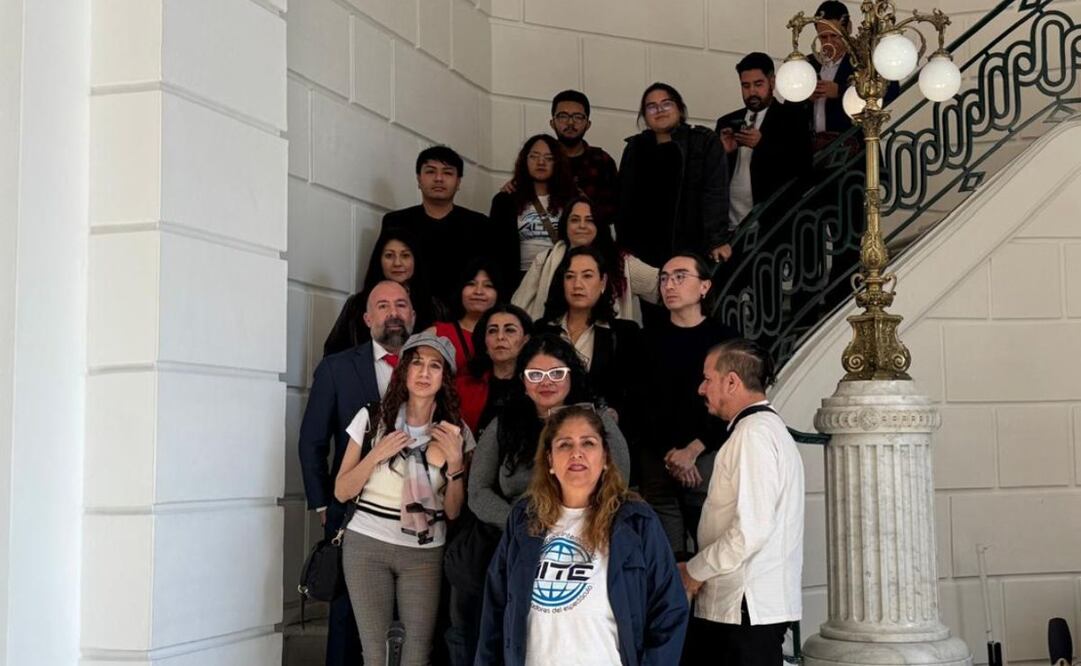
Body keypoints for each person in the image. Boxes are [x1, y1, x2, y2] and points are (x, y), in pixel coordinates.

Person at [475, 405, 689, 665]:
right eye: (565, 444)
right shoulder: (524, 517)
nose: (577, 453)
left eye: (588, 443)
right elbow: (496, 607)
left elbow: (669, 609)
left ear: (606, 458)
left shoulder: (635, 520)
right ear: (550, 461)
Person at [335, 331, 475, 666]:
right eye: (417, 364)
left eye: (435, 366)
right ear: (404, 372)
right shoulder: (372, 419)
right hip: (367, 545)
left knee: (416, 654)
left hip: (423, 553)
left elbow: (454, 510)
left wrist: (456, 463)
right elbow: (341, 490)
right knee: (375, 652)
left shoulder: (457, 432)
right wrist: (376, 454)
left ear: (445, 378)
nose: (425, 373)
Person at [298, 280, 416, 666]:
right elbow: (312, 440)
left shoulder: (430, 368)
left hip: (414, 513)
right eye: (382, 306)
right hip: (352, 510)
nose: (393, 312)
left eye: (401, 304)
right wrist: (321, 504)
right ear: (367, 318)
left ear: (413, 315)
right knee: (347, 617)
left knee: (410, 620)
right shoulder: (337, 368)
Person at [679, 339, 804, 666]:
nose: (701, 388)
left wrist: (694, 571)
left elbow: (751, 529)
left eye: (708, 379)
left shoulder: (754, 435)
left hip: (744, 607)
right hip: (744, 607)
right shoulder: (759, 430)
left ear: (731, 382)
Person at [640, 253, 739, 558]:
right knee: (666, 562)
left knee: (715, 557)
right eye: (665, 278)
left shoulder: (726, 340)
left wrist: (693, 450)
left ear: (705, 286)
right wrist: (672, 457)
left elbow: (736, 406)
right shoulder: (645, 341)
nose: (670, 284)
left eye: (680, 276)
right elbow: (639, 406)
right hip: (659, 463)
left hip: (707, 459)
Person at [616, 82, 730, 271]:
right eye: (651, 106)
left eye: (666, 103)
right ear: (644, 116)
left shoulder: (702, 141)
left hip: (690, 248)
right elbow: (624, 202)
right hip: (644, 252)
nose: (659, 110)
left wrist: (717, 240)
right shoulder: (635, 148)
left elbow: (715, 193)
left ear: (680, 109)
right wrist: (623, 248)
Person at [537, 246, 642, 430]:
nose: (577, 284)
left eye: (587, 276)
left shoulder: (625, 333)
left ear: (602, 282)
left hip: (603, 434)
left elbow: (634, 393)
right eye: (570, 276)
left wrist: (615, 413)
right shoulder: (542, 330)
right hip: (547, 432)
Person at [512, 195, 659, 324]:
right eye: (575, 220)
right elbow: (518, 306)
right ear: (565, 225)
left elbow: (662, 285)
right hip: (553, 347)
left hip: (606, 350)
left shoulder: (621, 263)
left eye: (589, 220)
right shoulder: (544, 260)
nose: (582, 225)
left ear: (599, 226)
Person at [380, 145, 494, 308]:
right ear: (419, 179)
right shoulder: (397, 222)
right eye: (430, 171)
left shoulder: (478, 224)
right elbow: (382, 275)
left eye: (447, 173)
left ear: (458, 182)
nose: (439, 178)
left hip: (462, 315)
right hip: (409, 310)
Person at [716, 52, 813, 232]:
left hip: (772, 224)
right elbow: (712, 175)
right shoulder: (727, 122)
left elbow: (802, 166)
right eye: (745, 86)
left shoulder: (791, 119)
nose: (752, 91)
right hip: (730, 226)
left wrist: (762, 145)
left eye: (758, 84)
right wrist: (722, 152)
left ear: (772, 82)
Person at [324, 227, 435, 356]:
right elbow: (333, 355)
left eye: (405, 255)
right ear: (379, 260)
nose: (397, 263)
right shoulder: (357, 305)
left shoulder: (433, 307)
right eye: (389, 255)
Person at [491, 134, 578, 292]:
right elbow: (496, 251)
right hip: (520, 281)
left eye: (549, 158)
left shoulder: (572, 200)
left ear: (558, 163)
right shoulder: (505, 200)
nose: (541, 162)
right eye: (534, 156)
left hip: (560, 279)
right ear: (524, 161)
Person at [808, 1, 900, 150]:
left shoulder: (864, 60)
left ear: (848, 29)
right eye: (823, 37)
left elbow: (891, 90)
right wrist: (805, 98)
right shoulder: (809, 64)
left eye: (835, 36)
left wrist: (840, 92)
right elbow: (789, 103)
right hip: (816, 154)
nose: (829, 43)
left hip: (853, 153)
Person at [425, 258, 504, 431]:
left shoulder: (507, 336)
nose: (479, 291)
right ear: (460, 289)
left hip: (495, 428)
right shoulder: (437, 333)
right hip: (444, 426)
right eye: (471, 284)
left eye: (488, 286)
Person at [463, 303, 534, 435]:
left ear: (526, 340)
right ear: (484, 342)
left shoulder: (537, 385)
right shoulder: (463, 387)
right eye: (492, 331)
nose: (500, 337)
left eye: (510, 330)